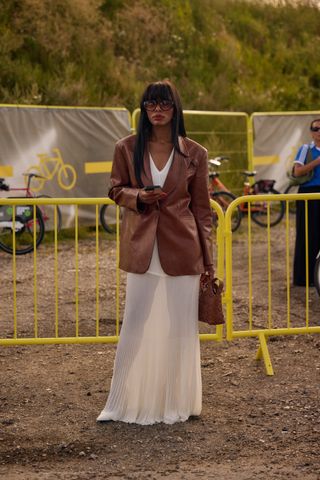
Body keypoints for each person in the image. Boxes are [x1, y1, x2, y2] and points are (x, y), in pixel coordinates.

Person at [97, 80, 213, 425]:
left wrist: (210, 262)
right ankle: (117, 403)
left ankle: (181, 402)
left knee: (181, 329)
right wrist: (137, 197)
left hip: (184, 247)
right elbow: (115, 189)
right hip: (141, 246)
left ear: (175, 109)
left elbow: (203, 211)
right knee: (134, 323)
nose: (157, 110)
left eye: (164, 104)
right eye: (150, 104)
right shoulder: (126, 147)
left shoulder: (196, 153)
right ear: (144, 109)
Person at [293, 118, 320, 286]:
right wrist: (317, 162)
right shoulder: (305, 149)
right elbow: (297, 172)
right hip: (309, 194)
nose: (319, 131)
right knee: (308, 234)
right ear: (311, 132)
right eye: (316, 128)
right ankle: (304, 278)